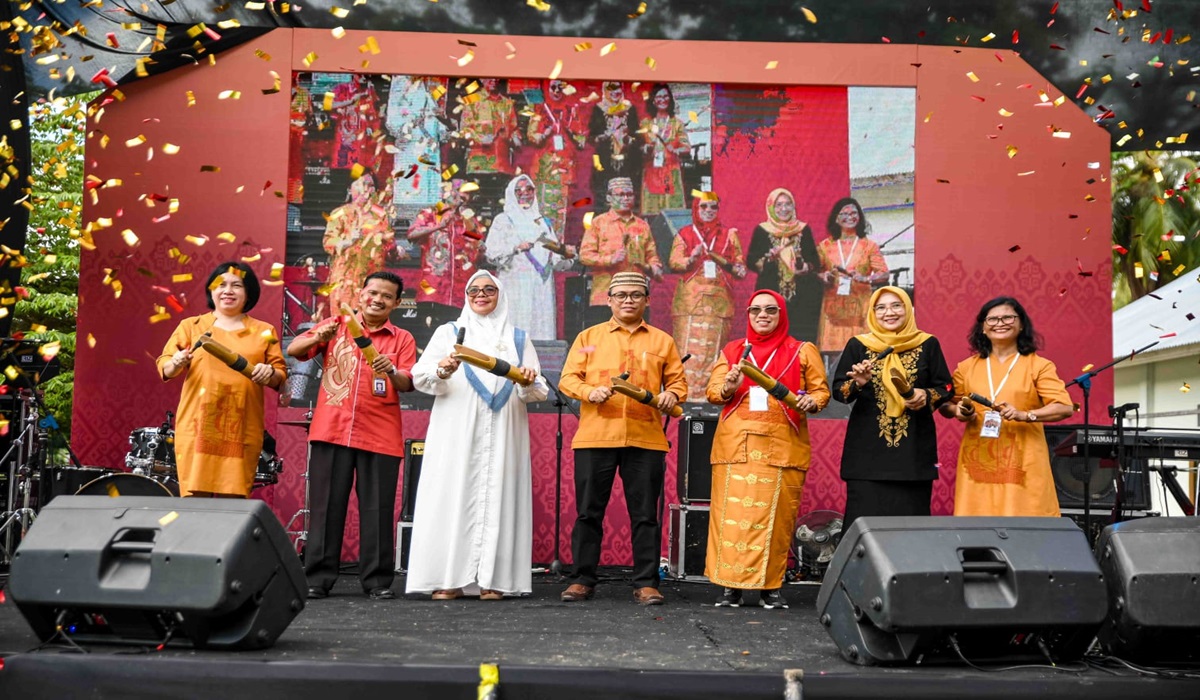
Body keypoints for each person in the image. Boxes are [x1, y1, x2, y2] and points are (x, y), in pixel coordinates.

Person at [406, 271, 549, 600]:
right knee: (451, 492)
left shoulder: (518, 338)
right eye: (474, 290)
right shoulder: (449, 332)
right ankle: (448, 579)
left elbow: (538, 388)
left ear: (501, 295)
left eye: (488, 290)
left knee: (500, 493)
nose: (481, 295)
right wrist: (442, 369)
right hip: (456, 425)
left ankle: (493, 580)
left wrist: (527, 380)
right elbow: (421, 376)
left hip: (505, 426)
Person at [286, 271, 416, 600]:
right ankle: (317, 578)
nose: (378, 300)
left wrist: (391, 370)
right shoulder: (336, 324)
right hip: (332, 429)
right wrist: (319, 336)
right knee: (326, 509)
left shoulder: (402, 338)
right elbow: (295, 349)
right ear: (361, 294)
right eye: (373, 293)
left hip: (380, 434)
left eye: (386, 296)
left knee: (377, 510)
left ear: (397, 303)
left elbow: (407, 382)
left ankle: (377, 581)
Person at [558, 271, 687, 605]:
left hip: (646, 439)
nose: (628, 300)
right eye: (621, 295)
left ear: (647, 300)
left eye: (635, 295)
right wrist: (589, 391)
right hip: (596, 437)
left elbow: (678, 383)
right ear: (609, 300)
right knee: (589, 513)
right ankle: (582, 579)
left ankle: (646, 583)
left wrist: (672, 394)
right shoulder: (588, 337)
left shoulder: (662, 341)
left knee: (645, 515)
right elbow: (568, 379)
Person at [704, 290, 829, 609]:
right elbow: (713, 392)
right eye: (756, 310)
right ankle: (729, 588)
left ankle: (770, 587)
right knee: (731, 518)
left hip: (782, 445)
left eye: (771, 310)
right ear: (747, 314)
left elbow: (820, 393)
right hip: (736, 446)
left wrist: (811, 402)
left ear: (781, 314)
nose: (763, 315)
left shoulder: (802, 350)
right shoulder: (732, 350)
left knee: (777, 520)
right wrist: (728, 386)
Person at [157, 262, 287, 498]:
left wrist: (269, 372)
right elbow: (166, 367)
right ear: (211, 290)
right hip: (197, 427)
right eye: (221, 285)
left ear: (248, 292)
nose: (228, 291)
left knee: (233, 503)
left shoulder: (265, 331)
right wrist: (176, 362)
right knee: (195, 503)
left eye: (236, 285)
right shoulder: (191, 326)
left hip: (242, 427)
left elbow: (280, 374)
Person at [939, 297, 1074, 516]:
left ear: (1021, 324)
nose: (1000, 323)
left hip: (1024, 463)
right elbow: (946, 404)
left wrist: (1025, 415)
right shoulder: (966, 367)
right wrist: (959, 411)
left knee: (1025, 525)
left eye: (1008, 317)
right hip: (978, 463)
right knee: (977, 525)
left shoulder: (1039, 365)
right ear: (983, 327)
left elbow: (1064, 407)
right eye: (992, 319)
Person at [832, 287, 953, 531]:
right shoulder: (858, 345)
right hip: (867, 457)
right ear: (872, 312)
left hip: (913, 456)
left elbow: (946, 387)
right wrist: (858, 383)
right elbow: (839, 392)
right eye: (881, 307)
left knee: (911, 532)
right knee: (865, 532)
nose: (889, 312)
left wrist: (925, 395)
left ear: (908, 309)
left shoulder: (928, 344)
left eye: (896, 305)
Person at [668, 194, 747, 402]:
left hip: (719, 300)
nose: (709, 211)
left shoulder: (729, 235)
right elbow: (674, 262)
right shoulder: (685, 234)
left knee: (714, 349)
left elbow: (740, 265)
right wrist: (691, 258)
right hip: (690, 301)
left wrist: (738, 267)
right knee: (686, 349)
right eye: (704, 207)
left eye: (713, 207)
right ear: (696, 208)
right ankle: (683, 395)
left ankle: (709, 396)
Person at [485, 173, 577, 340]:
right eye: (519, 190)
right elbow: (491, 252)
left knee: (540, 328)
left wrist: (565, 254)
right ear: (511, 193)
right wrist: (515, 248)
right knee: (516, 324)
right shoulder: (503, 220)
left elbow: (552, 255)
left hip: (541, 284)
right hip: (515, 281)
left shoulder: (542, 222)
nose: (525, 193)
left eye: (529, 189)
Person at [747, 188, 823, 346]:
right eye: (779, 205)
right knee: (771, 338)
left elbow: (815, 261)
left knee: (800, 341)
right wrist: (768, 258)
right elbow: (751, 261)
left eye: (788, 204)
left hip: (803, 295)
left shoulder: (803, 229)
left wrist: (806, 267)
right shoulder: (762, 230)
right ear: (771, 207)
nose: (784, 209)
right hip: (771, 291)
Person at [578, 177, 663, 308]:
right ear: (609, 198)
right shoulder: (598, 223)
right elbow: (585, 256)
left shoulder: (642, 226)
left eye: (629, 194)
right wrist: (610, 259)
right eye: (620, 194)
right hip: (606, 295)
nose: (625, 198)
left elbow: (652, 256)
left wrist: (652, 267)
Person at [817, 197, 889, 352]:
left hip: (861, 307)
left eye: (854, 213)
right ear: (836, 219)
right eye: (844, 213)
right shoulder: (825, 246)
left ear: (860, 217)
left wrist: (865, 278)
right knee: (834, 356)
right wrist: (823, 276)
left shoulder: (869, 246)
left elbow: (884, 274)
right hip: (833, 307)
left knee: (862, 353)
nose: (850, 217)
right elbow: (814, 271)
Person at [323, 172, 395, 314]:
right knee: (345, 323)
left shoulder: (380, 216)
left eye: (371, 185)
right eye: (362, 185)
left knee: (371, 324)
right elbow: (328, 242)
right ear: (349, 189)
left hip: (373, 282)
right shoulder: (340, 213)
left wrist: (395, 251)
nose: (367, 189)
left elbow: (389, 248)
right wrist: (349, 241)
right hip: (346, 282)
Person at [407, 179, 484, 306]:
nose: (463, 196)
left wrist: (479, 247)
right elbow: (411, 234)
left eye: (467, 193)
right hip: (433, 290)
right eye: (459, 191)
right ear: (447, 192)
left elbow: (479, 250)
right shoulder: (432, 213)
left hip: (461, 293)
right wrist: (438, 226)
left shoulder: (470, 220)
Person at [526, 79, 587, 237]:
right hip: (545, 169)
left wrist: (570, 131)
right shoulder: (540, 109)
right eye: (553, 87)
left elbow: (581, 141)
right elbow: (532, 136)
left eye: (561, 87)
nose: (557, 91)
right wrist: (547, 131)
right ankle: (544, 244)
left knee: (565, 211)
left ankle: (560, 245)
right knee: (543, 210)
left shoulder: (572, 109)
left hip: (566, 169)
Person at [639, 83, 691, 215]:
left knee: (672, 213)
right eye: (659, 97)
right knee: (652, 213)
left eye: (665, 96)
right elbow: (638, 147)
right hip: (651, 172)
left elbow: (686, 147)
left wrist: (676, 150)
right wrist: (645, 148)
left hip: (671, 172)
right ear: (653, 100)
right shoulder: (645, 123)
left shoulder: (677, 123)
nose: (663, 100)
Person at [588, 81, 641, 210]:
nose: (614, 92)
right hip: (605, 161)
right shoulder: (599, 109)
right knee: (605, 197)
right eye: (610, 89)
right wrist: (607, 135)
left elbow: (637, 136)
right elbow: (592, 137)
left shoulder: (629, 109)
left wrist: (627, 139)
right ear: (605, 91)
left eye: (617, 88)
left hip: (628, 162)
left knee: (628, 195)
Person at [460, 78, 519, 175]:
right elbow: (464, 129)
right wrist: (479, 138)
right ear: (481, 79)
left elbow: (513, 127)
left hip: (502, 164)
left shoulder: (507, 103)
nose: (493, 80)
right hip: (479, 162)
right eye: (489, 77)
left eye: (496, 77)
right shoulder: (472, 100)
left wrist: (516, 138)